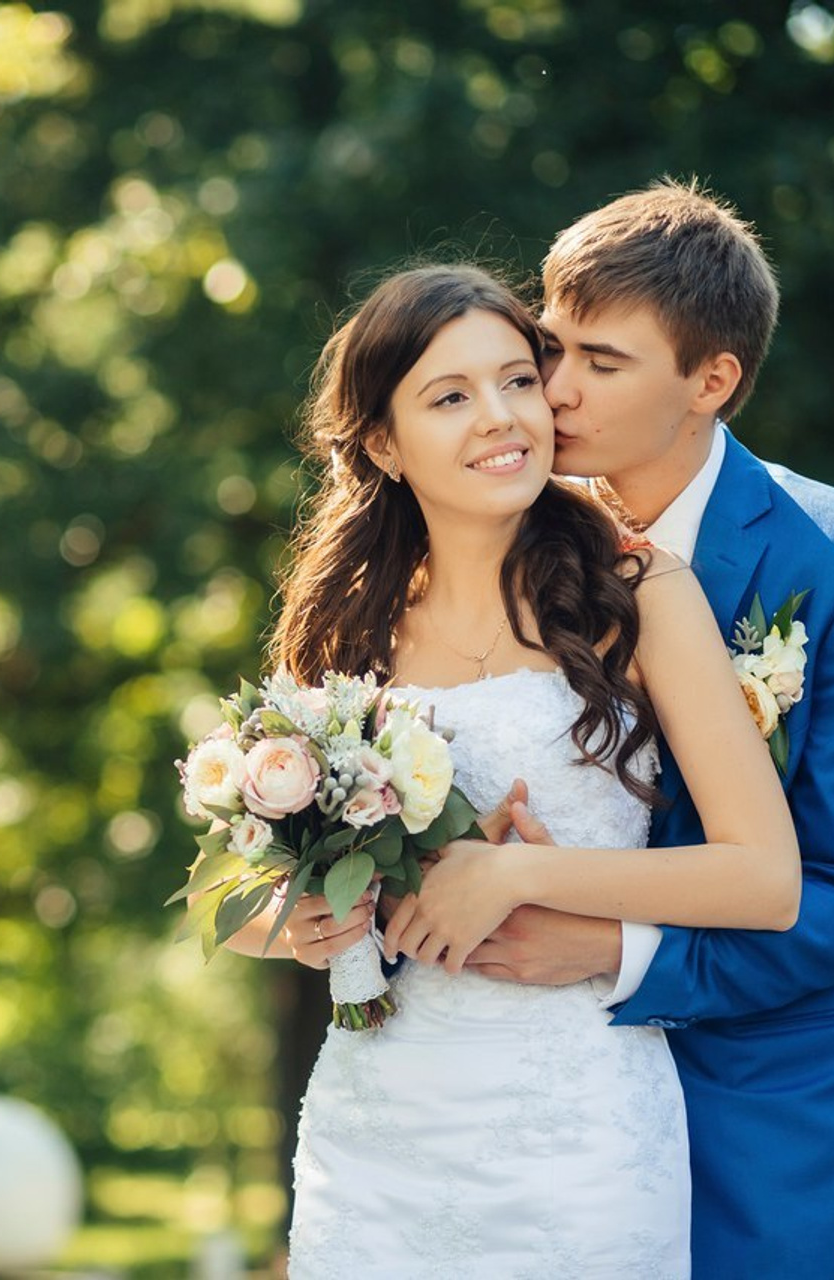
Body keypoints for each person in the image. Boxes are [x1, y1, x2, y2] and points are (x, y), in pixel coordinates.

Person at [220, 262, 798, 1277]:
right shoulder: (338, 626)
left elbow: (761, 875)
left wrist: (519, 871)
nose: (502, 417)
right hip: (378, 1139)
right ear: (383, 443)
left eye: (516, 380)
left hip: (581, 1134)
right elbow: (238, 900)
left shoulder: (637, 587)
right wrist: (300, 927)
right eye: (449, 397)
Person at [447, 179, 834, 1278]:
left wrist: (618, 950)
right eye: (548, 346)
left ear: (710, 379)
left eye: (601, 364)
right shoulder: (488, 534)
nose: (551, 393)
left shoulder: (816, 565)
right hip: (512, 1092)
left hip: (756, 1115)